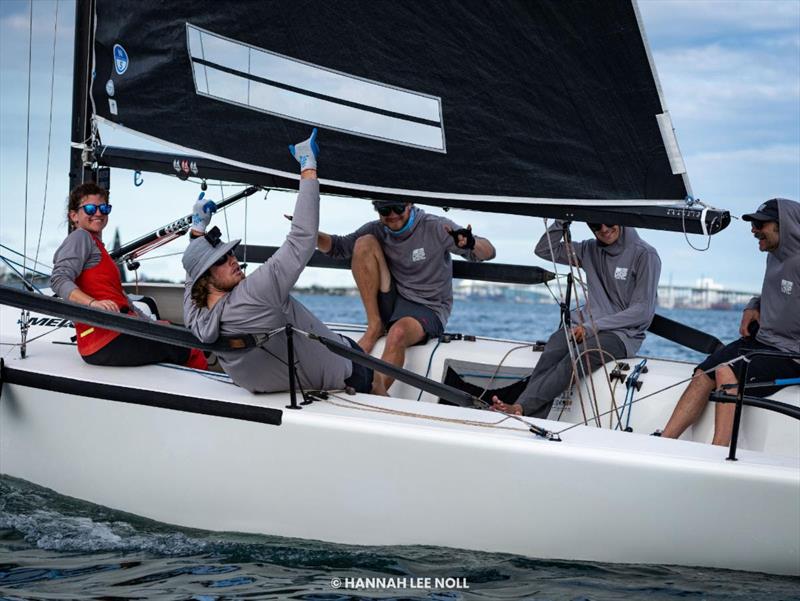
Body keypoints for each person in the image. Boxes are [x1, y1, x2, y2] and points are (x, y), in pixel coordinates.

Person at [183, 129, 381, 395]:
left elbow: (190, 276)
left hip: (285, 376)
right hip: (343, 372)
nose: (233, 260)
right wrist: (308, 168)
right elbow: (302, 238)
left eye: (230, 254)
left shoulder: (196, 318)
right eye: (221, 260)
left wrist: (197, 230)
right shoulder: (254, 293)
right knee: (376, 380)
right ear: (205, 279)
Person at [660, 198, 800, 445]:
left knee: (726, 372)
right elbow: (773, 291)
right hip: (761, 341)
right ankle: (663, 441)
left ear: (784, 225)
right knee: (704, 372)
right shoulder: (775, 254)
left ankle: (717, 452)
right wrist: (753, 306)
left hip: (790, 355)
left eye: (760, 224)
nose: (753, 230)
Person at [317, 200, 495, 390]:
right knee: (364, 242)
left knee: (398, 333)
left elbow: (489, 253)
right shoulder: (376, 229)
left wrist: (472, 243)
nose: (392, 214)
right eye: (385, 210)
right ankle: (374, 325)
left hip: (428, 308)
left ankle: (377, 391)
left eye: (398, 208)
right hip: (393, 300)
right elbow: (338, 246)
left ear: (409, 204)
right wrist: (310, 232)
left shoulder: (435, 226)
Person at [491, 221, 661, 417]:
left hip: (622, 335)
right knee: (555, 345)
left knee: (581, 354)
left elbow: (642, 311)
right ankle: (528, 414)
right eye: (596, 225)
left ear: (621, 220)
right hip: (588, 327)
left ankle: (520, 408)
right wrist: (562, 219)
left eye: (609, 223)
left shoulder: (646, 255)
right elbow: (545, 249)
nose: (604, 229)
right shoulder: (589, 249)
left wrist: (593, 327)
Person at [51, 182, 208, 369]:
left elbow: (119, 297)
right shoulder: (80, 237)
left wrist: (152, 323)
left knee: (185, 334)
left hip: (118, 330)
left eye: (104, 208)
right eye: (91, 208)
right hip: (107, 339)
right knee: (192, 345)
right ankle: (209, 396)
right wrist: (92, 303)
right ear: (74, 216)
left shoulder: (97, 246)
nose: (99, 213)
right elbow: (59, 279)